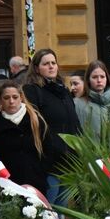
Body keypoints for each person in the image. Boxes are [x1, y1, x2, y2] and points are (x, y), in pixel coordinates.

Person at [22, 48, 80, 205]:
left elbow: (73, 122)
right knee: (48, 208)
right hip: (49, 161)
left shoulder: (63, 90)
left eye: (53, 63)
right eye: (46, 63)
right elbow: (35, 125)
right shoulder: (32, 90)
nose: (51, 66)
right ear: (36, 68)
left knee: (62, 208)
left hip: (68, 160)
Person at [0, 81, 50, 194]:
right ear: (0, 100)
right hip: (6, 187)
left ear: (21, 98)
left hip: (36, 184)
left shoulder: (35, 119)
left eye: (15, 97)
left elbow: (47, 150)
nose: (11, 101)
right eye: (6, 98)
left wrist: (43, 173)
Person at [73, 60, 110, 137]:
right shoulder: (77, 104)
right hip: (88, 148)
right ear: (88, 80)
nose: (99, 80)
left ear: (106, 78)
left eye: (102, 76)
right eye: (94, 77)